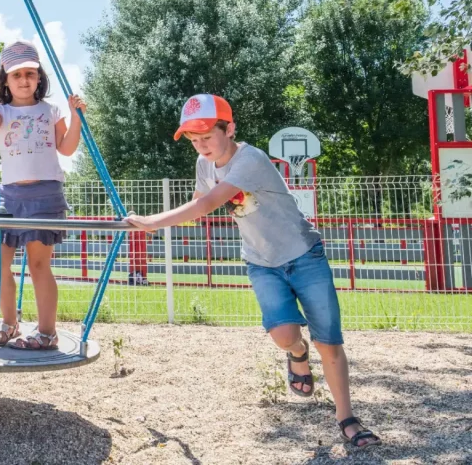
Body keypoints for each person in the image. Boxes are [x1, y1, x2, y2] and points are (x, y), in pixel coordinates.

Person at [124, 94, 381, 450]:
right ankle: (296, 354)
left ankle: (347, 418)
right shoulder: (204, 162)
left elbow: (209, 203)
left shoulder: (251, 159)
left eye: (207, 137)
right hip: (262, 262)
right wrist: (180, 213)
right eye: (194, 140)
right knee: (283, 335)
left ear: (229, 129)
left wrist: (153, 222)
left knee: (329, 343)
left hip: (305, 255)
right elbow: (202, 198)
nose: (201, 146)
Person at [0, 40, 85, 351]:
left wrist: (76, 118)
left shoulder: (50, 111)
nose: (24, 80)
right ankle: (9, 323)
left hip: (45, 192)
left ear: (39, 78)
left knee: (38, 264)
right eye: (16, 75)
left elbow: (66, 148)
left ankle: (48, 332)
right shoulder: (0, 111)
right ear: (5, 82)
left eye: (30, 74)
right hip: (10, 196)